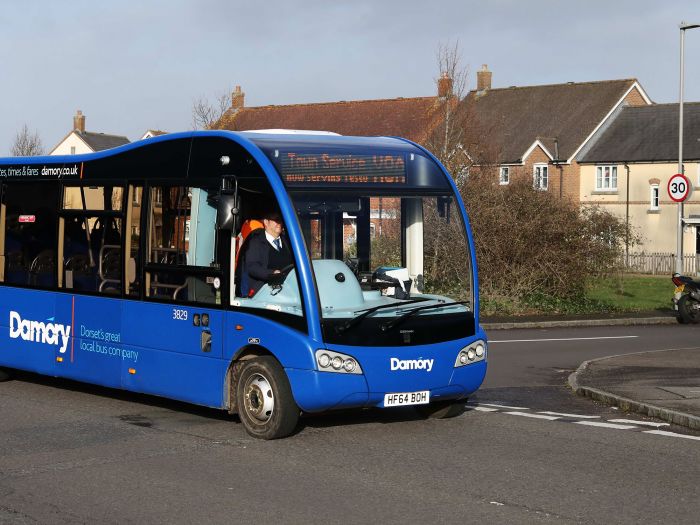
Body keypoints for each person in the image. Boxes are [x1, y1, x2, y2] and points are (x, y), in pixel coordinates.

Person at [238, 210, 294, 297]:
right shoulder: (256, 242)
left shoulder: (288, 241)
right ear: (266, 222)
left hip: (288, 291)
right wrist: (272, 273)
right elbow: (252, 267)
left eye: (280, 220)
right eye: (276, 220)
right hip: (264, 292)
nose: (279, 223)